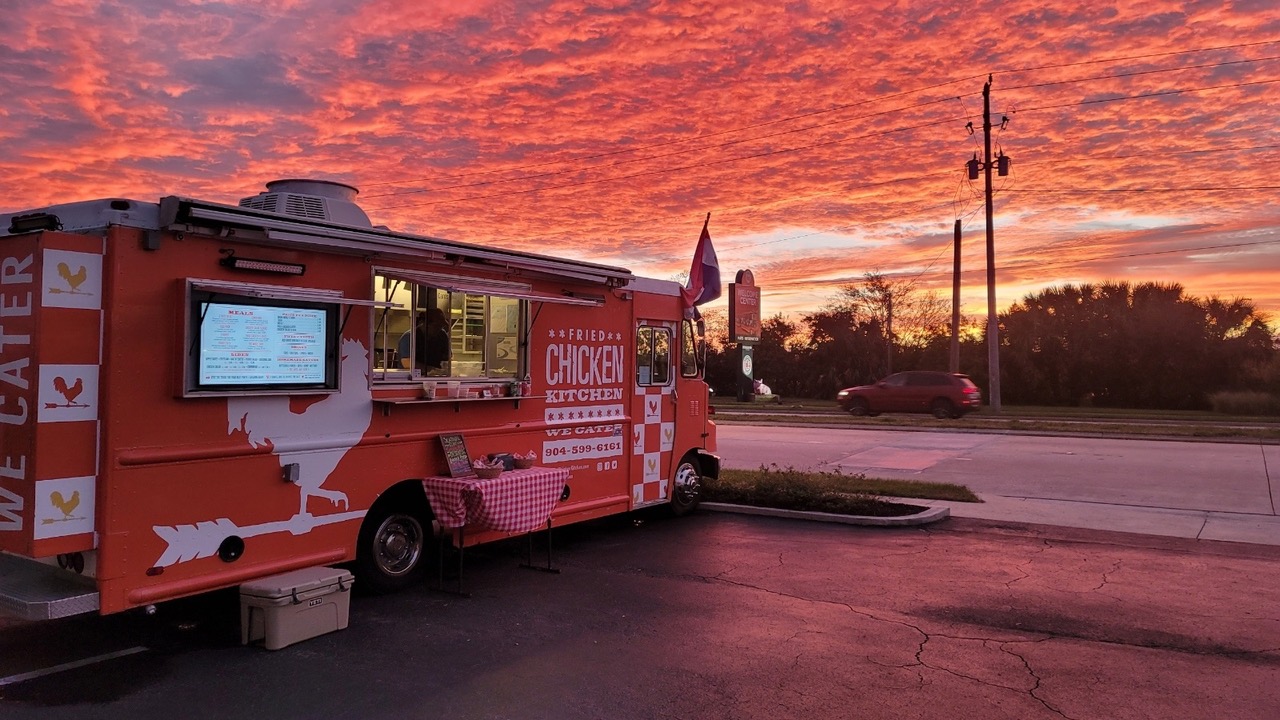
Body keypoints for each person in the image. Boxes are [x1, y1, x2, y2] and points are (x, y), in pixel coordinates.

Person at [398, 307, 451, 374]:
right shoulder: (409, 337)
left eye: (441, 326)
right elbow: (407, 363)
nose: (439, 329)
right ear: (425, 324)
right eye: (436, 326)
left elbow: (449, 357)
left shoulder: (442, 335)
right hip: (412, 378)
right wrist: (432, 370)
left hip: (436, 378)